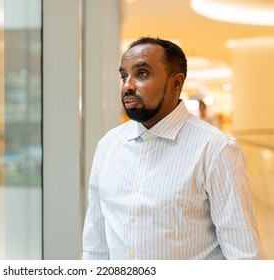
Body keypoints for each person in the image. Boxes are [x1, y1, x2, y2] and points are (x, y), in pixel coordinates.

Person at [81, 37, 264, 260]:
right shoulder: (108, 145)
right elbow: (96, 244)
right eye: (123, 76)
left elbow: (243, 254)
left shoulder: (216, 149)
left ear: (176, 83)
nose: (128, 85)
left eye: (141, 74)